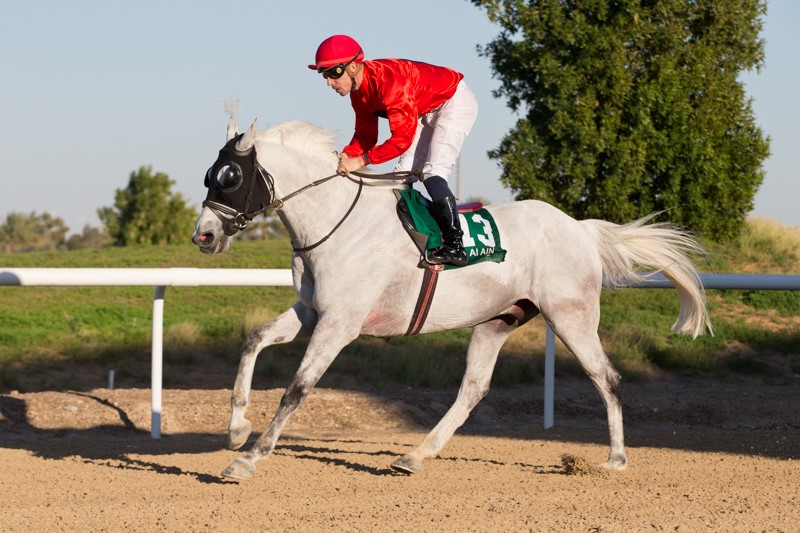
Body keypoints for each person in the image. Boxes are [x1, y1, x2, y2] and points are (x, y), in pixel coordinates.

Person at [308, 34, 478, 266]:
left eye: (332, 73)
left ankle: (455, 246)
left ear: (353, 67)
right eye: (324, 75)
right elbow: (366, 136)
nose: (329, 82)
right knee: (400, 178)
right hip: (424, 110)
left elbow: (401, 140)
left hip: (453, 101)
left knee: (432, 172)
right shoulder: (359, 93)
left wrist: (362, 161)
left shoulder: (390, 83)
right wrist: (347, 154)